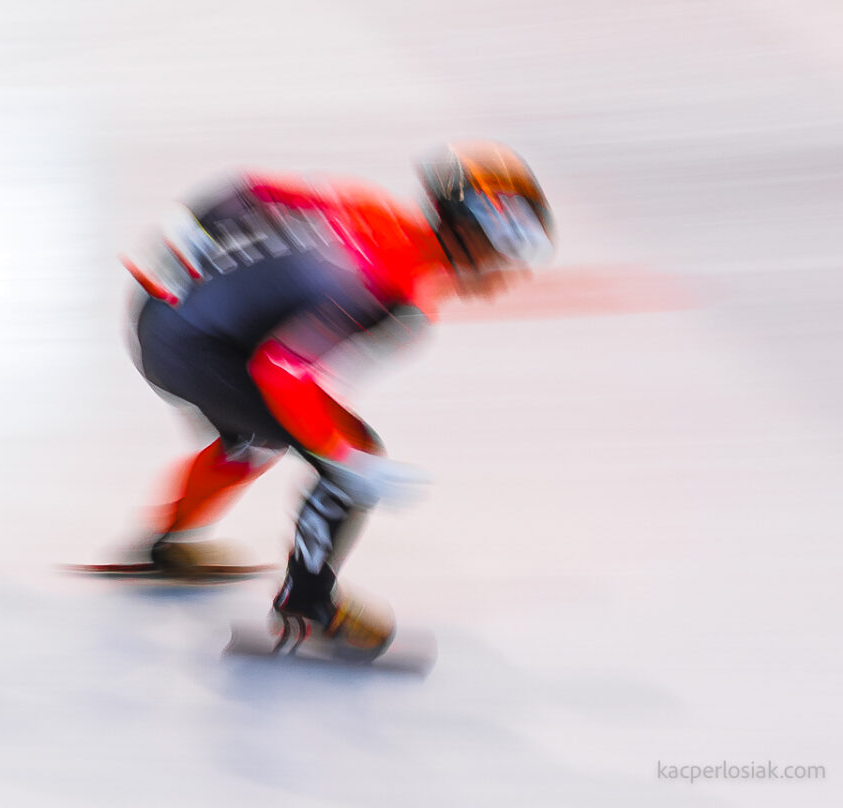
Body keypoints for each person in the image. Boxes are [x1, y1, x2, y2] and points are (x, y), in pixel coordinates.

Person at [121, 143, 553, 658]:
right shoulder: (393, 285)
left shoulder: (373, 210)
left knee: (253, 440)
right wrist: (348, 462)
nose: (503, 278)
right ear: (469, 240)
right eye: (501, 259)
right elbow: (281, 372)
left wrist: (185, 241)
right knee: (351, 453)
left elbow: (250, 189)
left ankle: (167, 544)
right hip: (197, 349)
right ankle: (306, 606)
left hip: (164, 314)